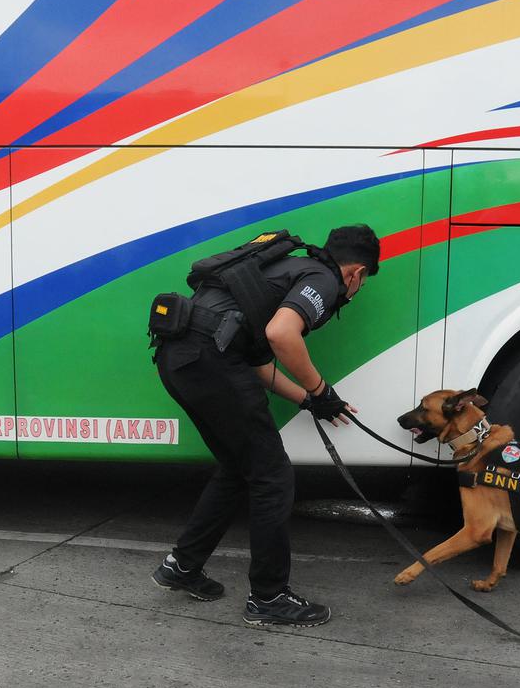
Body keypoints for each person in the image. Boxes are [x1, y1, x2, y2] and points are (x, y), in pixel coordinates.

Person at [150, 224, 380, 627]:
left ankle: (182, 566)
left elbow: (258, 364)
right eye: (363, 282)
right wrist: (321, 389)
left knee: (239, 468)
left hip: (179, 358)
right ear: (356, 273)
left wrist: (309, 399)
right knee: (273, 478)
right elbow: (281, 334)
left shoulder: (284, 268)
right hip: (210, 362)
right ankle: (268, 598)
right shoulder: (324, 280)